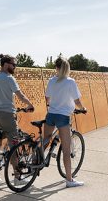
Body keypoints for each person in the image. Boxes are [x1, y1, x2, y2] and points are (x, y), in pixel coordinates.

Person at [0, 54, 34, 184]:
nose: (14, 67)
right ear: (6, 64)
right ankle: (17, 178)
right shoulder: (9, 78)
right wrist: (29, 105)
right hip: (8, 116)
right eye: (13, 64)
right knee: (14, 146)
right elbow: (20, 95)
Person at [43, 57, 87, 188]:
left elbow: (47, 98)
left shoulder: (51, 80)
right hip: (63, 117)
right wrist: (83, 109)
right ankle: (69, 180)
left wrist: (54, 104)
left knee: (45, 140)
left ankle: (35, 163)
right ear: (67, 68)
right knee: (66, 150)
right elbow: (77, 101)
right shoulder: (70, 82)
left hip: (51, 114)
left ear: (56, 68)